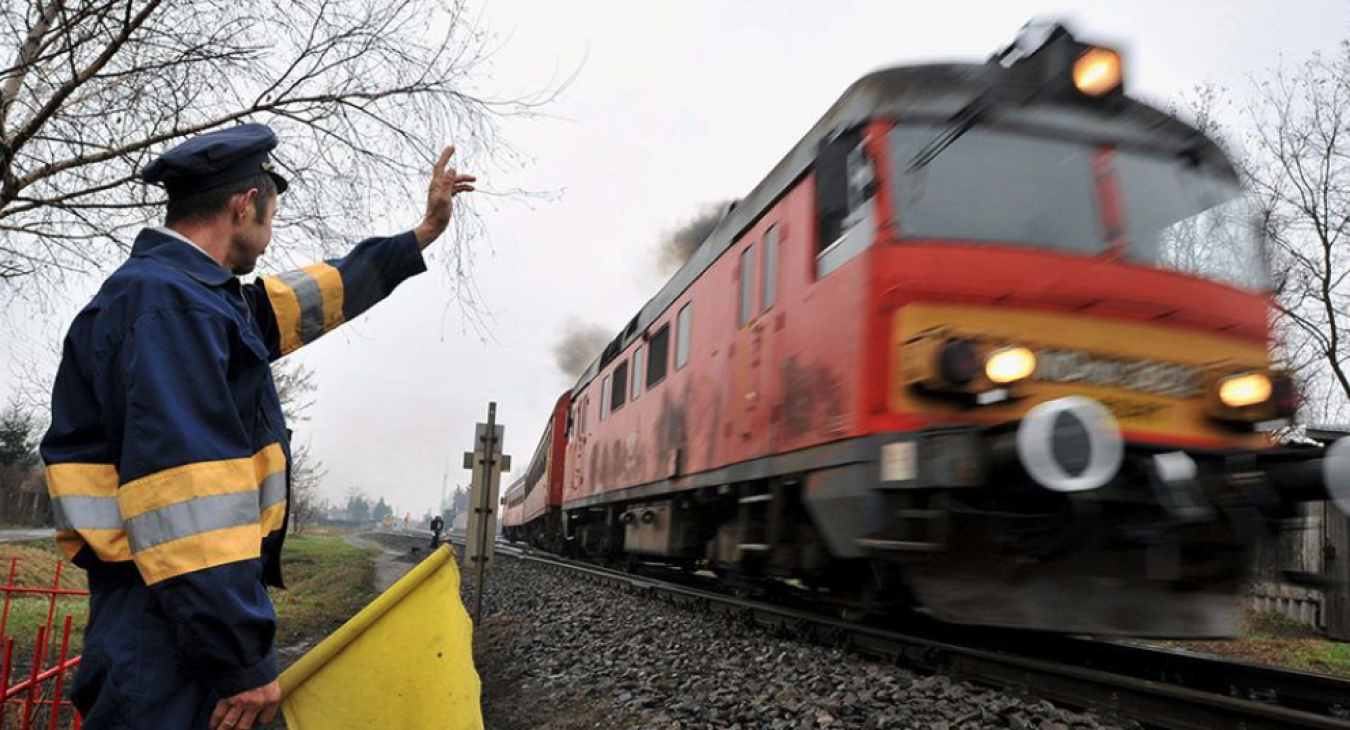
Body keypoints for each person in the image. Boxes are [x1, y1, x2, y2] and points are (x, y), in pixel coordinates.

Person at [40, 124, 475, 730]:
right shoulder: (173, 308)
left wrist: (419, 236)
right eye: (270, 217)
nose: (269, 240)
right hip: (170, 618)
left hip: (172, 607)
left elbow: (319, 292)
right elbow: (189, 507)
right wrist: (241, 659)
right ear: (245, 205)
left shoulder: (193, 296)